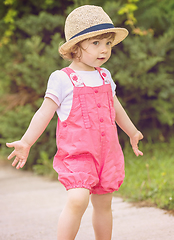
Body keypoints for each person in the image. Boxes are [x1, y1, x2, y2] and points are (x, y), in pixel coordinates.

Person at [6, 5, 143, 240]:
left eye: (108, 43)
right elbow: (44, 113)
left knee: (104, 203)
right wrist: (27, 141)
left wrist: (132, 132)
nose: (104, 50)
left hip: (107, 154)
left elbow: (115, 108)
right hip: (78, 155)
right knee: (78, 198)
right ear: (76, 47)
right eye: (96, 43)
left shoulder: (104, 76)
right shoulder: (62, 78)